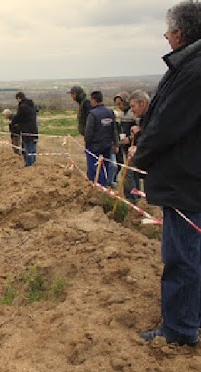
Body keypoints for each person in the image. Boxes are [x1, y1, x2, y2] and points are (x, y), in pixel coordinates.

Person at [134, 1, 201, 347]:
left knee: (181, 257)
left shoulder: (192, 71)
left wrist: (138, 157)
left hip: (184, 183)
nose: (165, 36)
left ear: (179, 33)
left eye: (167, 31)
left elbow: (166, 126)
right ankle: (190, 318)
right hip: (189, 179)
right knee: (191, 253)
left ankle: (179, 330)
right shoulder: (190, 66)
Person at [84, 91, 118, 187]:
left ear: (94, 100)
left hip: (94, 147)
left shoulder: (92, 114)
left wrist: (87, 144)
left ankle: (98, 188)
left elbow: (88, 133)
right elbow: (114, 129)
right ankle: (104, 186)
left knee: (94, 169)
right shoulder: (110, 112)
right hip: (107, 146)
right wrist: (116, 144)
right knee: (105, 168)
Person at [10, 92, 38, 166]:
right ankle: (33, 164)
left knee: (27, 147)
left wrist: (13, 120)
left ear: (19, 98)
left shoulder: (22, 107)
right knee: (32, 146)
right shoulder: (32, 105)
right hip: (34, 128)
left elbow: (18, 118)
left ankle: (29, 165)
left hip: (26, 129)